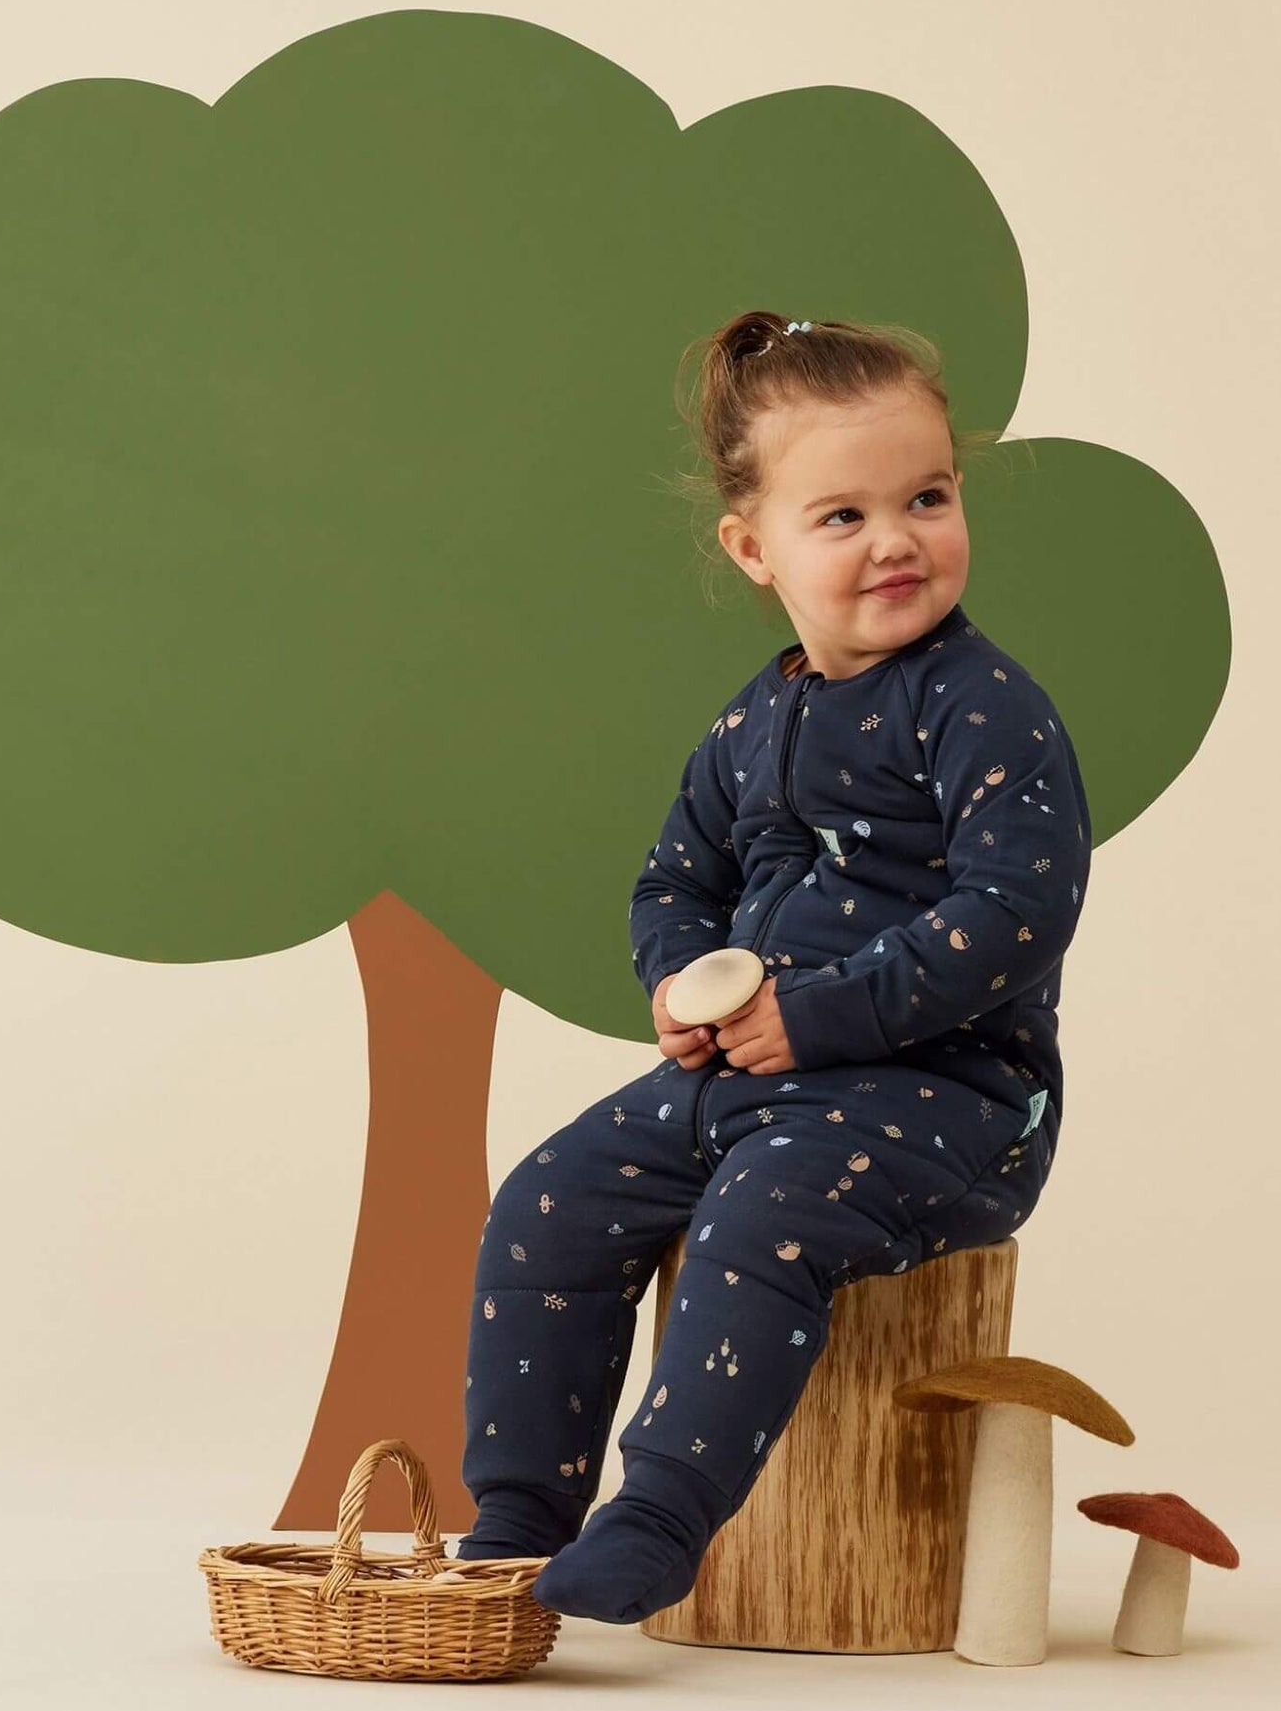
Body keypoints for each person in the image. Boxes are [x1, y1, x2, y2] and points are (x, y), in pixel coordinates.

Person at [455, 311, 1093, 1624]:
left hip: (950, 1101)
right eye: (842, 516)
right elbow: (671, 878)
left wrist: (817, 1014)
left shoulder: (982, 706)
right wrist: (681, 979)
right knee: (546, 1203)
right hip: (747, 1082)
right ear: (754, 548)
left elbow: (1015, 908)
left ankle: (663, 1513)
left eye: (925, 496)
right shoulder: (753, 720)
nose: (896, 540)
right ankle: (521, 1506)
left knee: (762, 1213)